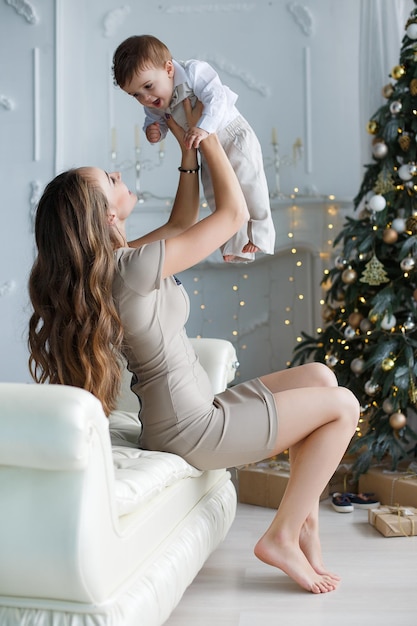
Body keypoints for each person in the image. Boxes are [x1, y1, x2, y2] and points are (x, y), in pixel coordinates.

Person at [28, 100, 359, 594]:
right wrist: (210, 134)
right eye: (110, 180)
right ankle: (283, 534)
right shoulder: (132, 269)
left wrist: (188, 155)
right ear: (105, 212)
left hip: (191, 414)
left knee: (321, 378)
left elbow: (183, 222)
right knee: (344, 406)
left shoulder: (118, 264)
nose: (119, 175)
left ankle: (304, 519)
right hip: (196, 430)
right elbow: (233, 214)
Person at [112, 34, 276, 263]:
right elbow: (155, 120)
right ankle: (235, 243)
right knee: (215, 193)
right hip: (202, 147)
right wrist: (154, 131)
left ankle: (261, 234)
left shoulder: (194, 72)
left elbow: (217, 97)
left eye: (148, 86)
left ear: (169, 68)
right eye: (136, 95)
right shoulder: (154, 102)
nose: (146, 98)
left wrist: (204, 127)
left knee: (250, 184)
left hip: (231, 134)